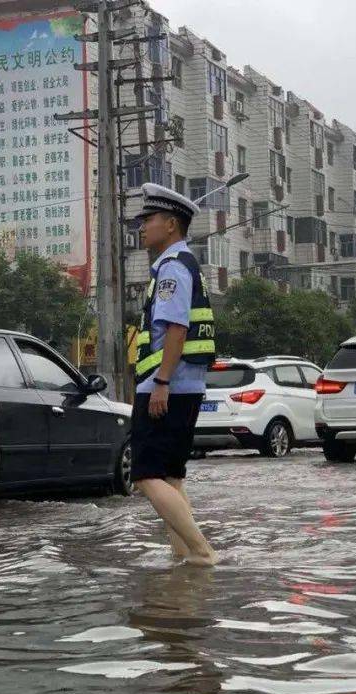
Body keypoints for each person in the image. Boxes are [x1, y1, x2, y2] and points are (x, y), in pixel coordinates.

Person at [130, 183, 218, 567]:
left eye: (148, 219)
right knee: (170, 478)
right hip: (183, 386)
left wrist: (162, 383)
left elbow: (176, 330)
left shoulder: (172, 268)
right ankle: (184, 557)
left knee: (146, 476)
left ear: (170, 224)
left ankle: (201, 552)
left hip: (167, 387)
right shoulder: (180, 265)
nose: (142, 227)